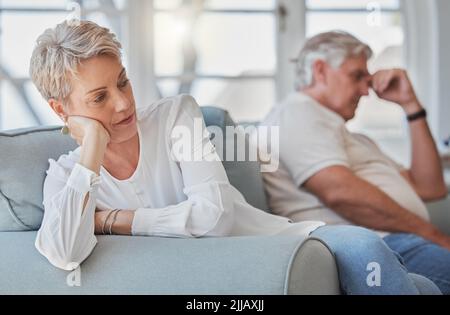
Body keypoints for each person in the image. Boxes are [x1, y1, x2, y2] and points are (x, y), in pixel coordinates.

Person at [30, 21, 439, 294]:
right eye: (100, 97)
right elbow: (65, 251)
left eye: (123, 82)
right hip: (223, 277)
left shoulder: (176, 116)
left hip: (279, 241)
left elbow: (214, 216)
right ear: (60, 109)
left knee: (369, 251)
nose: (123, 105)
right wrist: (92, 150)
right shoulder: (67, 175)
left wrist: (114, 222)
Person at [259, 30, 450, 294]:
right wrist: (434, 236)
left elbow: (431, 187)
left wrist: (411, 105)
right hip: (381, 248)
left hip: (401, 242)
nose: (365, 90)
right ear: (320, 70)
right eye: (356, 76)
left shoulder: (351, 137)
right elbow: (340, 193)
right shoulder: (297, 112)